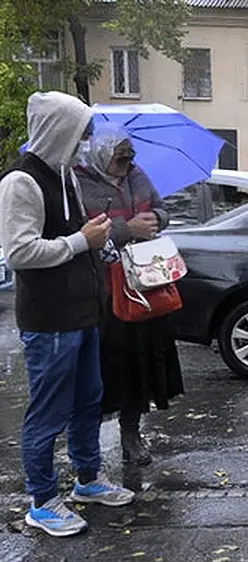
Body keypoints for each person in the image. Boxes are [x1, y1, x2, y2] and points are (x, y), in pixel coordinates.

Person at [0, 91, 136, 538]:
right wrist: (81, 241)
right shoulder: (21, 182)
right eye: (80, 132)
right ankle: (41, 502)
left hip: (83, 312)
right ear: (60, 130)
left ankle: (87, 480)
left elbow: (78, 237)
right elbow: (19, 252)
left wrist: (105, 246)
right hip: (49, 320)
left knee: (87, 402)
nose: (85, 142)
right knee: (47, 413)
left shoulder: (65, 176)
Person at [74, 122, 185, 467]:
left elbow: (163, 210)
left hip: (146, 282)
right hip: (105, 291)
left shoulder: (138, 176)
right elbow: (79, 235)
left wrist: (157, 218)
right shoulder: (80, 184)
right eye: (120, 158)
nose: (126, 164)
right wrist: (126, 228)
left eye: (129, 156)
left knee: (141, 360)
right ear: (102, 155)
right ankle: (87, 447)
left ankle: (131, 433)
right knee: (108, 364)